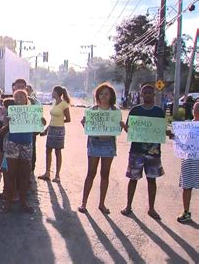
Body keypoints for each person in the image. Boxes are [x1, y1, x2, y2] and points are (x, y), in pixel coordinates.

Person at [121, 84, 173, 220]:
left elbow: (162, 130)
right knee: (133, 179)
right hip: (136, 151)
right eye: (145, 92)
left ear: (154, 95)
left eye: (150, 93)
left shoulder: (159, 112)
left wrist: (168, 132)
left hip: (153, 152)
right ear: (141, 94)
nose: (148, 95)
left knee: (152, 180)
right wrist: (124, 127)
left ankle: (151, 208)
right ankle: (128, 206)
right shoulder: (135, 111)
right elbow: (129, 130)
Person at [78, 83, 125, 214]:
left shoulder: (115, 112)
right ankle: (84, 203)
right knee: (91, 173)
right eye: (101, 93)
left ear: (111, 96)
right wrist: (84, 124)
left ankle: (102, 204)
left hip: (109, 144)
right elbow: (88, 128)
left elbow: (118, 128)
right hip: (94, 142)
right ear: (97, 95)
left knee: (105, 174)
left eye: (106, 94)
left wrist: (121, 125)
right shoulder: (92, 110)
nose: (103, 96)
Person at [0, 90, 35, 214]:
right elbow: (3, 131)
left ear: (27, 99)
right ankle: (8, 202)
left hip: (27, 144)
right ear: (14, 99)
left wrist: (41, 122)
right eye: (17, 96)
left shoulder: (32, 111)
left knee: (25, 175)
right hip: (12, 143)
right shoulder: (11, 111)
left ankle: (23, 202)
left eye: (22, 96)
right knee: (10, 175)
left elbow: (39, 129)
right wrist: (7, 124)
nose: (20, 98)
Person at [38, 85, 71, 183]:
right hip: (51, 129)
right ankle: (47, 172)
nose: (51, 93)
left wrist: (60, 122)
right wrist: (46, 130)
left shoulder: (64, 104)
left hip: (59, 130)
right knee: (48, 150)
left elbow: (68, 119)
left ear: (57, 92)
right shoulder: (54, 103)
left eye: (53, 91)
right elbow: (52, 119)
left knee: (57, 151)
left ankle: (57, 175)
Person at [177, 100, 199, 222]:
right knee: (187, 187)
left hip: (189, 161)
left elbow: (182, 144)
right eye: (196, 107)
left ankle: (186, 212)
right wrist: (174, 137)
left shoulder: (187, 126)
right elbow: (182, 144)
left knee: (187, 188)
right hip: (188, 161)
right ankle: (186, 212)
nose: (196, 110)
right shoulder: (186, 126)